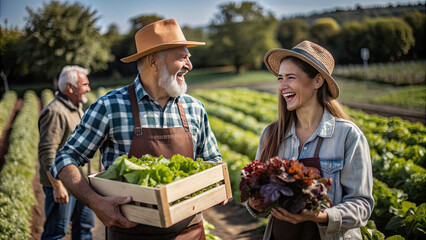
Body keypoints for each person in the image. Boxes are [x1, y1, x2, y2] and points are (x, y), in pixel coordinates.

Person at [50, 19, 224, 239]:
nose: (189, 65)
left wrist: (216, 184)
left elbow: (212, 159)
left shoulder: (194, 108)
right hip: (131, 233)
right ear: (153, 62)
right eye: (182, 57)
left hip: (190, 232)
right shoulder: (110, 106)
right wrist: (96, 202)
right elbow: (65, 158)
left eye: (188, 57)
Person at [245, 41, 374, 239]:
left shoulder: (348, 135)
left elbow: (362, 205)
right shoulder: (271, 134)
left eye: (291, 77)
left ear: (317, 81)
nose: (282, 86)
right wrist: (255, 201)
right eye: (280, 78)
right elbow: (258, 204)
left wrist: (321, 216)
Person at [38, 65, 95, 239]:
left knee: (84, 227)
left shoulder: (75, 107)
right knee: (56, 233)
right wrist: (57, 187)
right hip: (62, 184)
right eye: (84, 84)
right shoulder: (55, 112)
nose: (88, 88)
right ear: (70, 88)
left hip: (79, 182)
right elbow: (47, 152)